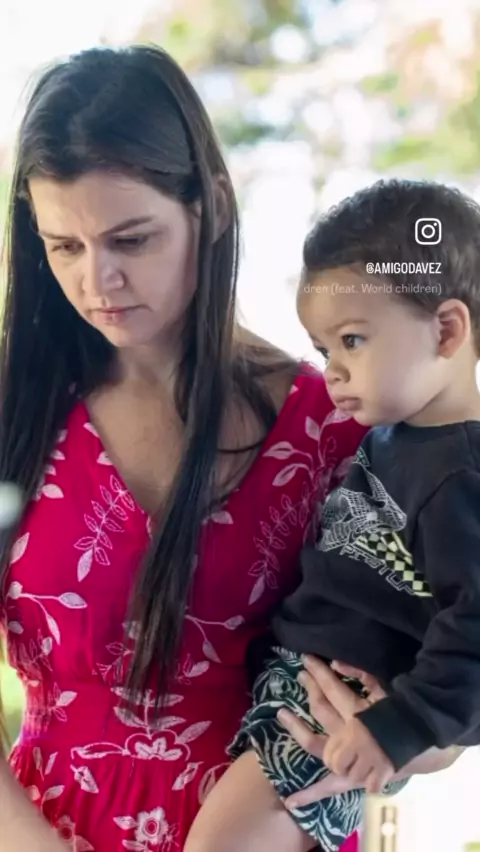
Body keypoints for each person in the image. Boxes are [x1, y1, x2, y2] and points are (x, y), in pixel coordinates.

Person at [0, 42, 384, 852]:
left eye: (131, 240)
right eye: (64, 246)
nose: (97, 281)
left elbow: (439, 665)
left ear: (210, 206)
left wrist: (401, 739)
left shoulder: (331, 426)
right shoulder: (15, 410)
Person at [185, 179, 480, 852]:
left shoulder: (461, 476)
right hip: (307, 681)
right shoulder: (395, 436)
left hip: (348, 705)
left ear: (447, 329)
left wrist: (400, 729)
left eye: (352, 340)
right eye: (324, 351)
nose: (334, 371)